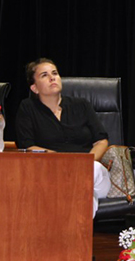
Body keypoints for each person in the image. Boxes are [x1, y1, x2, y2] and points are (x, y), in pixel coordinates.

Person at [15, 58, 111, 216]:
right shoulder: (28, 108)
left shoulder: (81, 105)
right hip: (52, 173)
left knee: (92, 171)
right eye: (44, 75)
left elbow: (101, 140)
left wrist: (85, 162)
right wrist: (62, 163)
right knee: (85, 194)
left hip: (92, 173)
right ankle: (75, 236)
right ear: (34, 88)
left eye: (55, 73)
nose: (52, 77)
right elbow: (27, 146)